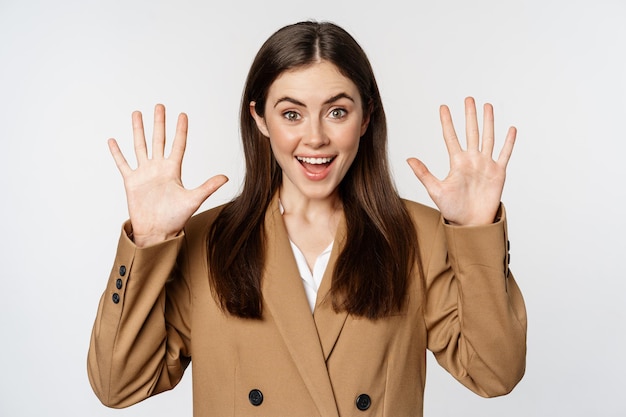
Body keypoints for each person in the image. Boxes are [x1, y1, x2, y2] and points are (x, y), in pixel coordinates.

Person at [88, 20, 526, 417]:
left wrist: (475, 234)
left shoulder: (418, 237)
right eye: (291, 113)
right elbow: (117, 385)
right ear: (259, 118)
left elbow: (494, 374)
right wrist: (148, 243)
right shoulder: (208, 241)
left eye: (337, 111)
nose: (315, 137)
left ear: (366, 117)